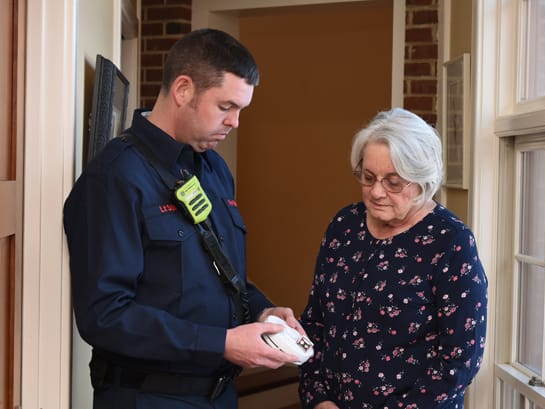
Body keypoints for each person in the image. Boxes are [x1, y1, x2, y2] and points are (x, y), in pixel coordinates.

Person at [63, 28, 305, 409]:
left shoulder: (213, 169)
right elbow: (104, 315)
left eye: (241, 110)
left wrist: (261, 309)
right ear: (183, 90)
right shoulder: (114, 178)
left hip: (219, 395)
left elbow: (217, 272)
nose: (235, 122)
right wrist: (223, 343)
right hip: (148, 397)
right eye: (226, 107)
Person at [298, 108, 488, 409]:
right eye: (368, 177)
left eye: (393, 182)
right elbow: (316, 322)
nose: (376, 192)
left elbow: (459, 360)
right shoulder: (344, 225)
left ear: (422, 180)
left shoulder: (449, 242)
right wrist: (319, 398)